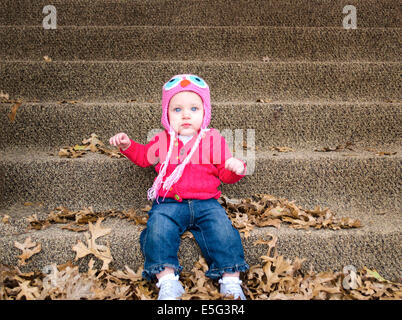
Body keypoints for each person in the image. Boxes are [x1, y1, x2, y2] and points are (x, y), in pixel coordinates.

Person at [109, 74, 249, 300]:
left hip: (207, 203)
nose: (185, 115)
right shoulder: (162, 140)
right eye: (177, 110)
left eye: (194, 109)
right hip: (169, 203)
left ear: (205, 113)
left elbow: (224, 174)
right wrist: (128, 145)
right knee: (158, 229)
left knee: (223, 232)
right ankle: (167, 280)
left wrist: (234, 168)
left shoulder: (213, 139)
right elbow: (144, 158)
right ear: (166, 115)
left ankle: (231, 280)